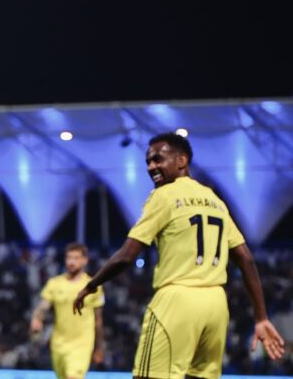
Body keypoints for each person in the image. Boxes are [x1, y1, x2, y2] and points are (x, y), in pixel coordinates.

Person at [73, 132, 285, 378]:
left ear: (182, 160)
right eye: (148, 161)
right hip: (216, 305)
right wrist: (261, 316)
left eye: (158, 159)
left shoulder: (164, 195)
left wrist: (92, 284)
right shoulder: (214, 200)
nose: (151, 166)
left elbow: (126, 256)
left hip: (177, 299)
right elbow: (245, 258)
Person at [30, 243, 104, 379]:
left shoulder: (92, 286)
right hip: (58, 344)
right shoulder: (54, 283)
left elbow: (98, 320)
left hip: (82, 344)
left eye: (76, 258)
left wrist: (99, 347)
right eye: (69, 258)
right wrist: (37, 318)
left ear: (85, 260)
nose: (71, 262)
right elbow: (43, 306)